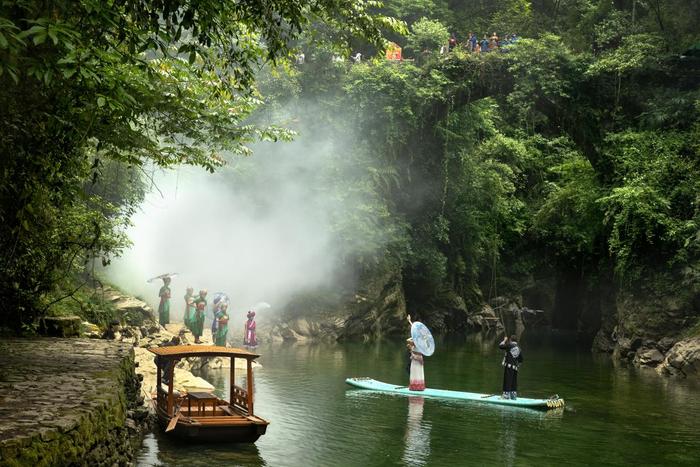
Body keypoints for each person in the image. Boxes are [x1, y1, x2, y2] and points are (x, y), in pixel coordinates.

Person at [499, 335, 523, 399]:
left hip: (509, 367)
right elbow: (521, 360)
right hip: (515, 367)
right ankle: (513, 395)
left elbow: (500, 346)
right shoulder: (519, 348)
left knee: (507, 379)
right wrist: (517, 365)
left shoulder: (509, 345)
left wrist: (504, 340)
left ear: (511, 340)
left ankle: (506, 395)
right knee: (513, 380)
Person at [406, 315, 425, 391]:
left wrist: (410, 349)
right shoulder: (423, 339)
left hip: (415, 357)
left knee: (415, 371)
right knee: (418, 371)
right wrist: (410, 321)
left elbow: (408, 340)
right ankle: (419, 386)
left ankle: (415, 387)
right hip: (419, 358)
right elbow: (415, 331)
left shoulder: (417, 341)